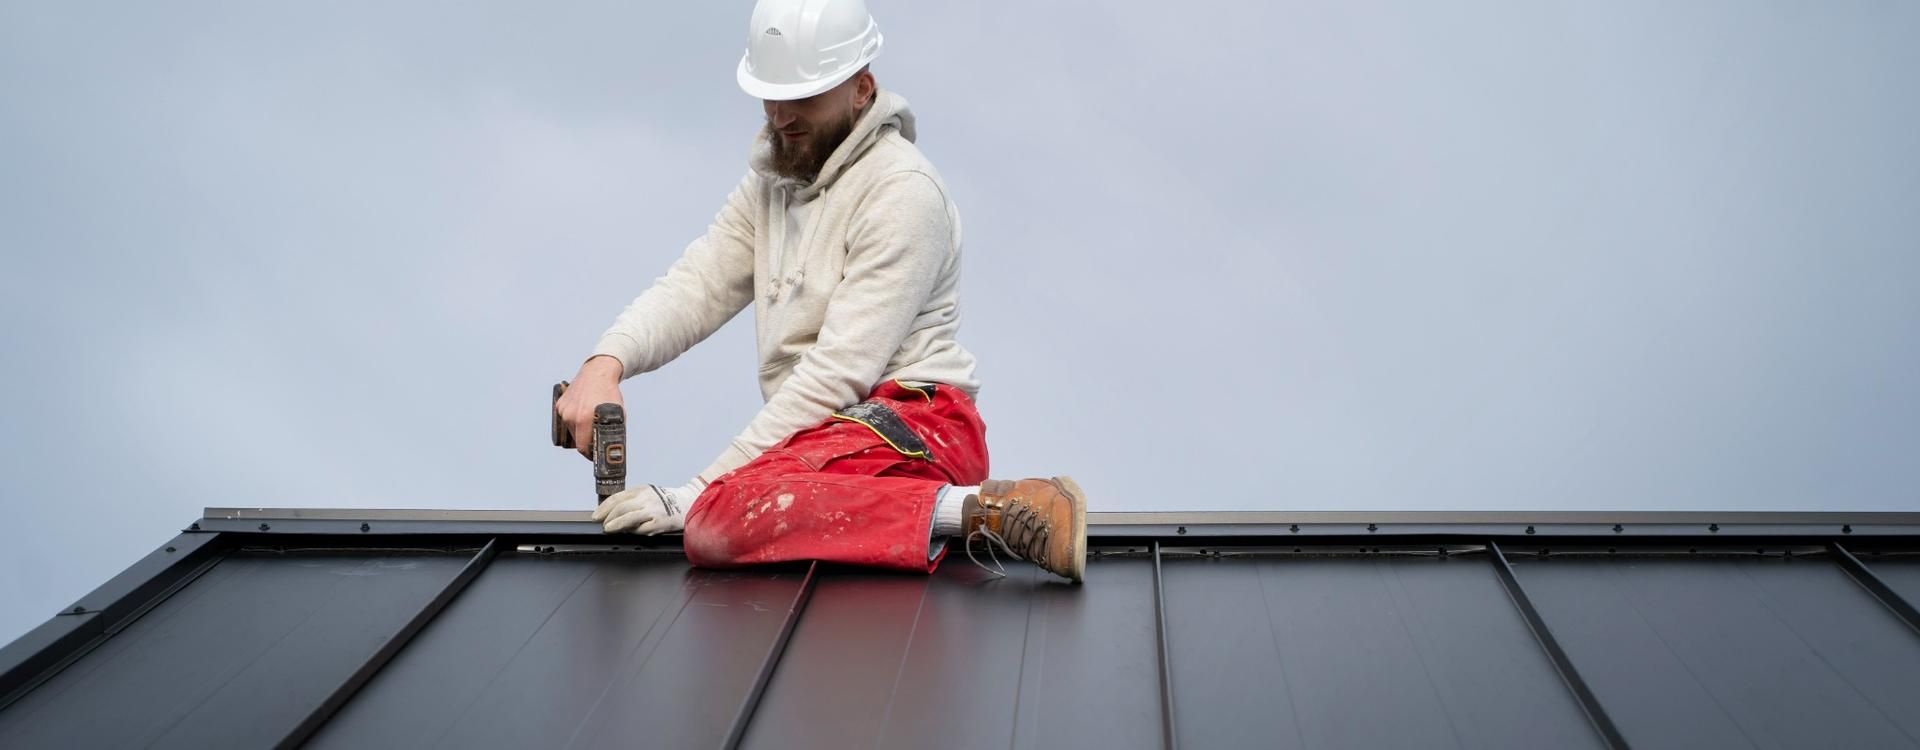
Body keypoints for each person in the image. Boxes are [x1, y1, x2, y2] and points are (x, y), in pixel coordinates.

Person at [553, 0, 1086, 581]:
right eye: (769, 94)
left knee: (720, 519)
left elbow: (839, 370)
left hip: (917, 426)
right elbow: (697, 285)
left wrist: (699, 492)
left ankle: (994, 511)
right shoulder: (771, 183)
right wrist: (606, 362)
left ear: (862, 88)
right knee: (730, 512)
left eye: (802, 96)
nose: (780, 116)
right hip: (830, 433)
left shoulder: (903, 192)